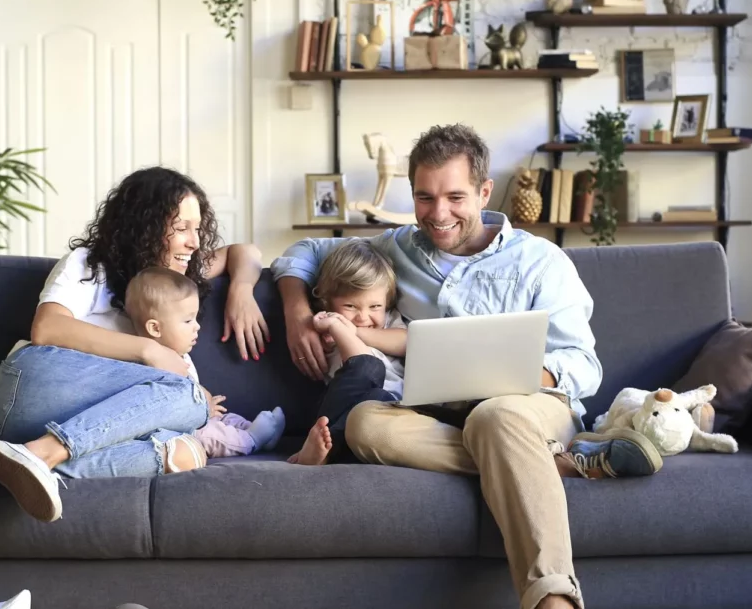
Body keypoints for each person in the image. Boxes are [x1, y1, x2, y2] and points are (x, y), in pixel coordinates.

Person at [270, 124, 663, 609]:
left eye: (455, 197)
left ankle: (553, 598)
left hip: (527, 408)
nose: (438, 214)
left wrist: (508, 376)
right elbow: (306, 252)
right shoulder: (396, 247)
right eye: (425, 197)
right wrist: (297, 311)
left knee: (495, 416)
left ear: (483, 192)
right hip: (432, 414)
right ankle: (550, 462)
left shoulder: (541, 261)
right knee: (366, 424)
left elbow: (583, 365)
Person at [0, 166, 270, 523]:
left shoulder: (175, 278)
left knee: (187, 451)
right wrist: (150, 351)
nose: (195, 242)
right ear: (145, 227)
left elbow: (244, 252)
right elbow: (47, 327)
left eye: (197, 228)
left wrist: (242, 291)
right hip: (29, 390)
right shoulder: (90, 265)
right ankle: (42, 453)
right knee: (189, 397)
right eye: (181, 228)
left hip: (68, 428)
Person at [123, 266, 286, 458]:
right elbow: (165, 410)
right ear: (155, 328)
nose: (197, 326)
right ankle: (252, 440)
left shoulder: (180, 355)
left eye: (195, 319)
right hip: (178, 430)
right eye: (188, 321)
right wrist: (201, 410)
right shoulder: (151, 365)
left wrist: (206, 404)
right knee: (210, 435)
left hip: (197, 417)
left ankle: (261, 434)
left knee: (226, 419)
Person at [288, 239, 407, 466]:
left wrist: (352, 330)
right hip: (345, 407)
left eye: (375, 306)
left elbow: (407, 341)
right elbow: (363, 362)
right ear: (327, 302)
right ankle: (322, 451)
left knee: (380, 398)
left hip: (390, 410)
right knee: (368, 373)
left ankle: (328, 454)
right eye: (350, 306)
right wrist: (337, 328)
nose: (363, 317)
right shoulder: (325, 326)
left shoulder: (389, 320)